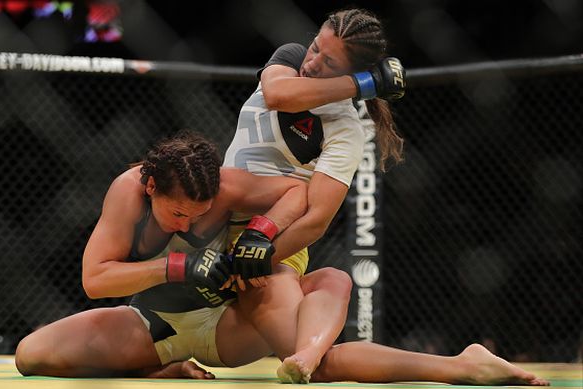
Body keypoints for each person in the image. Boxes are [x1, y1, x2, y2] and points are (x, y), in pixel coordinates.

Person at [221, 8, 548, 385]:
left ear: (349, 72)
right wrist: (363, 84)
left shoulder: (345, 128)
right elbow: (278, 95)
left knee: (314, 363)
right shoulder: (291, 58)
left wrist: (250, 261)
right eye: (315, 48)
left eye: (328, 62)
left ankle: (464, 367)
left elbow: (315, 219)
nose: (312, 63)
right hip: (218, 215)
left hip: (272, 242)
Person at [14, 130, 309, 378]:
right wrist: (177, 266)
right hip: (154, 325)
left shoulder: (227, 186)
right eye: (178, 213)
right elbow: (95, 279)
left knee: (316, 284)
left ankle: (318, 352)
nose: (185, 225)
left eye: (198, 216)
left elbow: (298, 191)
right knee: (30, 354)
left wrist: (261, 231)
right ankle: (158, 369)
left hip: (225, 323)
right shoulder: (128, 193)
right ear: (152, 187)